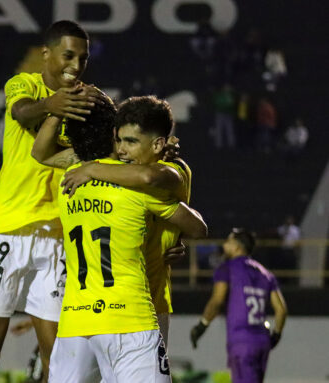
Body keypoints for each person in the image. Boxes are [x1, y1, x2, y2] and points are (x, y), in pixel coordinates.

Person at [0, 20, 104, 383]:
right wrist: (52, 105)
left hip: (58, 238)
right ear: (46, 54)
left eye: (82, 59)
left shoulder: (90, 101)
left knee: (56, 355)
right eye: (68, 55)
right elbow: (22, 113)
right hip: (6, 232)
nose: (76, 65)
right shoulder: (23, 84)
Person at [45, 99, 207, 382]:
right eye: (119, 140)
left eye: (130, 141)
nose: (122, 149)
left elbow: (43, 153)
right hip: (133, 314)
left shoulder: (71, 181)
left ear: (158, 145)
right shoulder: (142, 190)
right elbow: (198, 228)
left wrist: (90, 168)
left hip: (77, 318)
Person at [190, 228, 288, 383]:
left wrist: (202, 325)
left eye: (228, 241)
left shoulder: (227, 268)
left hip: (242, 341)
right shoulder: (265, 273)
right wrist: (275, 336)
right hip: (262, 341)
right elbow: (281, 310)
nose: (224, 245)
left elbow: (217, 301)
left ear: (236, 246)